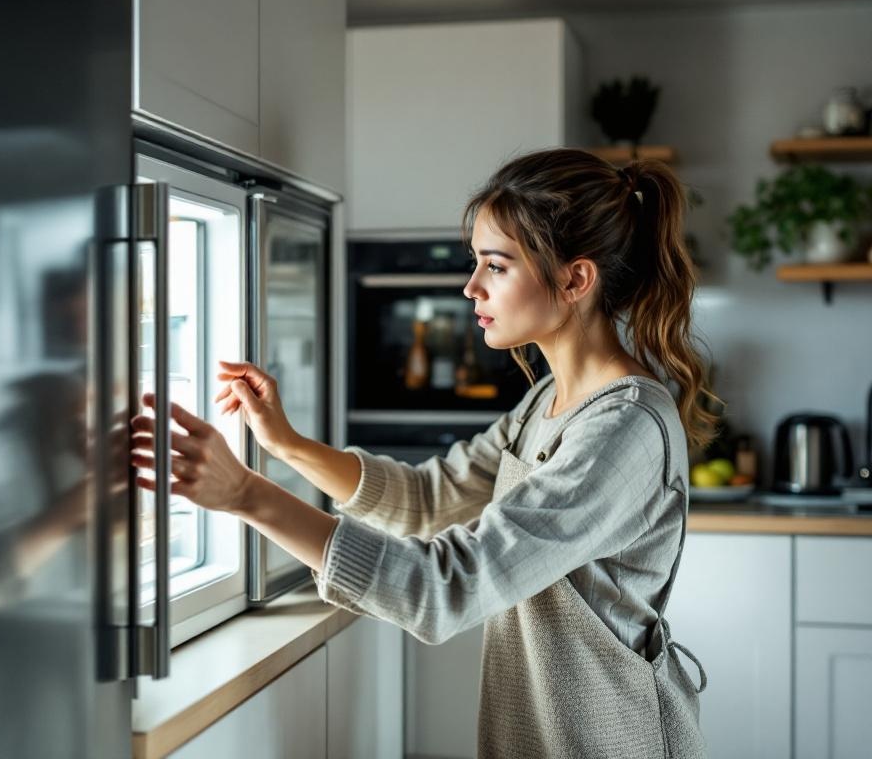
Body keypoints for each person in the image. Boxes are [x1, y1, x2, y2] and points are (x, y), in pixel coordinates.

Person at [131, 148, 719, 758]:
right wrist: (287, 445)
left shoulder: (623, 428)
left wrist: (248, 495)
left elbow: (448, 588)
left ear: (574, 279)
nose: (470, 287)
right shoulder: (546, 401)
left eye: (496, 265)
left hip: (608, 740)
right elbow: (427, 500)